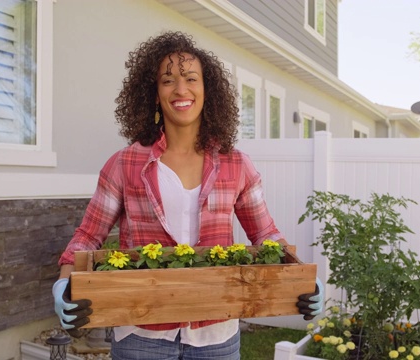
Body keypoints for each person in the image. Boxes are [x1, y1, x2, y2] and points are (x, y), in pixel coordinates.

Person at [52, 31, 323, 360]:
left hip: (216, 334)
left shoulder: (236, 165)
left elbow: (266, 235)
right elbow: (87, 237)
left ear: (207, 89)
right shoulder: (124, 164)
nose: (181, 89)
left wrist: (304, 281)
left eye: (191, 78)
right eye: (167, 81)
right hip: (140, 333)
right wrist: (64, 284)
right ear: (153, 94)